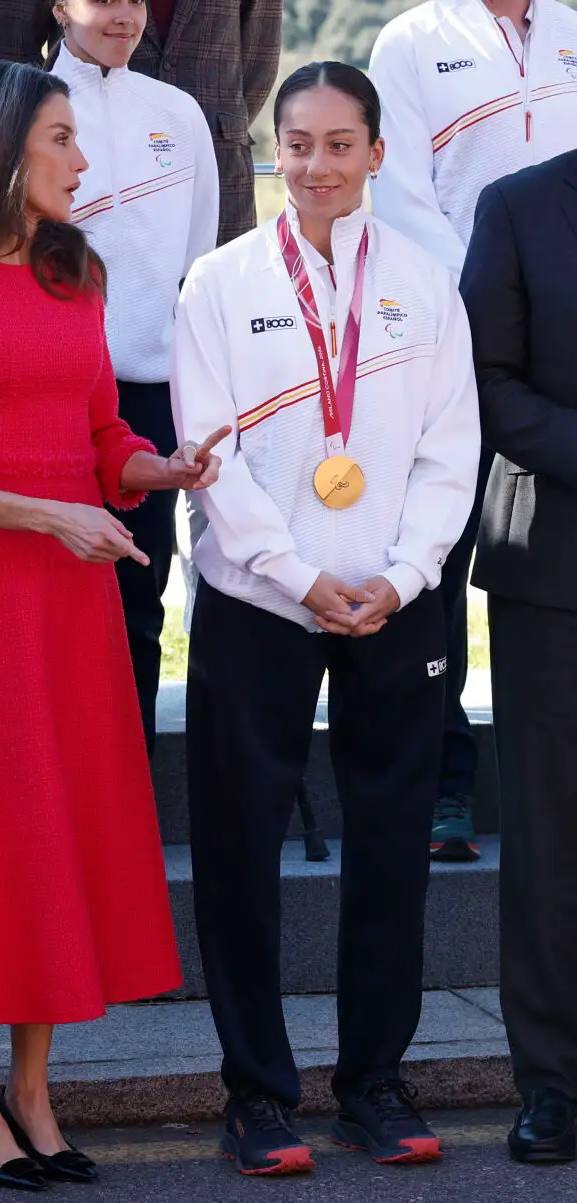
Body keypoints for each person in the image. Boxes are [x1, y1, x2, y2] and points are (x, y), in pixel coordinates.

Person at [0, 62, 226, 1191]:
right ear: (3, 150)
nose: (82, 159)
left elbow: (102, 431)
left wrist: (152, 468)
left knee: (50, 838)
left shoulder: (79, 274)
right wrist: (51, 513)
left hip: (70, 601)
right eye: (63, 138)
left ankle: (32, 1090)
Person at [171, 62, 480, 1175]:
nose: (314, 164)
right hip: (260, 602)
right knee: (239, 849)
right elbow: (209, 454)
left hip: (395, 602)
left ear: (374, 155)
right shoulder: (216, 281)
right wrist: (296, 575)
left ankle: (371, 1085)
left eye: (339, 144)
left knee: (390, 848)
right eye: (295, 143)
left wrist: (402, 574)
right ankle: (256, 1093)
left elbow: (451, 448)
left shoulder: (421, 283)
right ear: (271, 150)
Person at [368, 0, 577, 862]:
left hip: (556, 340)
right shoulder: (413, 39)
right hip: (457, 323)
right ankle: (447, 783)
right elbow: (404, 193)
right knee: (441, 563)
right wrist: (491, 291)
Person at [24, 0, 218, 757]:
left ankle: (123, 777)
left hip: (144, 400)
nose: (123, 14)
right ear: (59, 6)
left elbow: (196, 261)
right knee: (42, 594)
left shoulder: (180, 112)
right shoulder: (18, 103)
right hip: (41, 394)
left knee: (138, 598)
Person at [461, 150, 577, 1165]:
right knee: (546, 841)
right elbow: (486, 385)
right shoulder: (517, 206)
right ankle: (551, 1084)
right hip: (555, 570)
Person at [0, 0, 283, 246]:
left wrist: (203, 125)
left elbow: (260, 51)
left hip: (217, 154)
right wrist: (44, 121)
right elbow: (9, 50)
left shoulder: (185, 116)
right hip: (77, 146)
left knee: (218, 298)